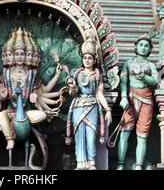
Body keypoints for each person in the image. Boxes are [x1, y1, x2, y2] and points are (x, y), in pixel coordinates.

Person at [65, 35, 112, 170]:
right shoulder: (78, 74)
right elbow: (73, 94)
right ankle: (81, 163)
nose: (86, 60)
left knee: (91, 137)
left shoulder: (97, 76)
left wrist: (107, 109)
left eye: (89, 58)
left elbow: (99, 94)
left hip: (92, 106)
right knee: (80, 136)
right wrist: (72, 87)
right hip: (78, 106)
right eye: (84, 57)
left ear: (94, 60)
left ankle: (91, 163)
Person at [115, 34, 157, 170]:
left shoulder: (150, 65)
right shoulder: (128, 63)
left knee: (142, 135)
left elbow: (155, 81)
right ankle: (120, 163)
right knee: (124, 132)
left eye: (146, 46)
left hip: (146, 100)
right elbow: (123, 82)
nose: (143, 48)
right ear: (136, 47)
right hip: (130, 98)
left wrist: (144, 76)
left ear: (150, 49)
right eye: (141, 45)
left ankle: (139, 164)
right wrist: (123, 96)